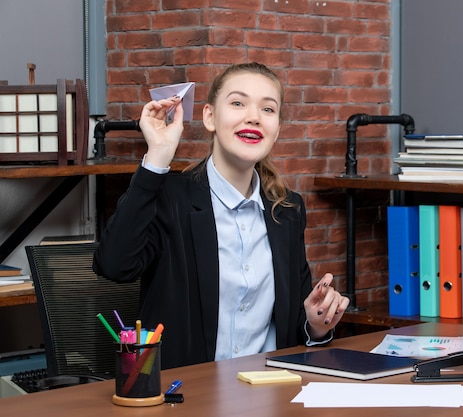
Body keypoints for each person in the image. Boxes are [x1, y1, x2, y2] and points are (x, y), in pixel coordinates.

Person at [93, 62, 350, 370]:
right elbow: (114, 266)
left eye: (268, 110)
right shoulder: (170, 198)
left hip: (270, 392)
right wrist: (158, 155)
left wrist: (316, 326)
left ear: (277, 128)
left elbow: (292, 327)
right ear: (210, 117)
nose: (253, 117)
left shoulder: (287, 210)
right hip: (190, 398)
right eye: (238, 103)